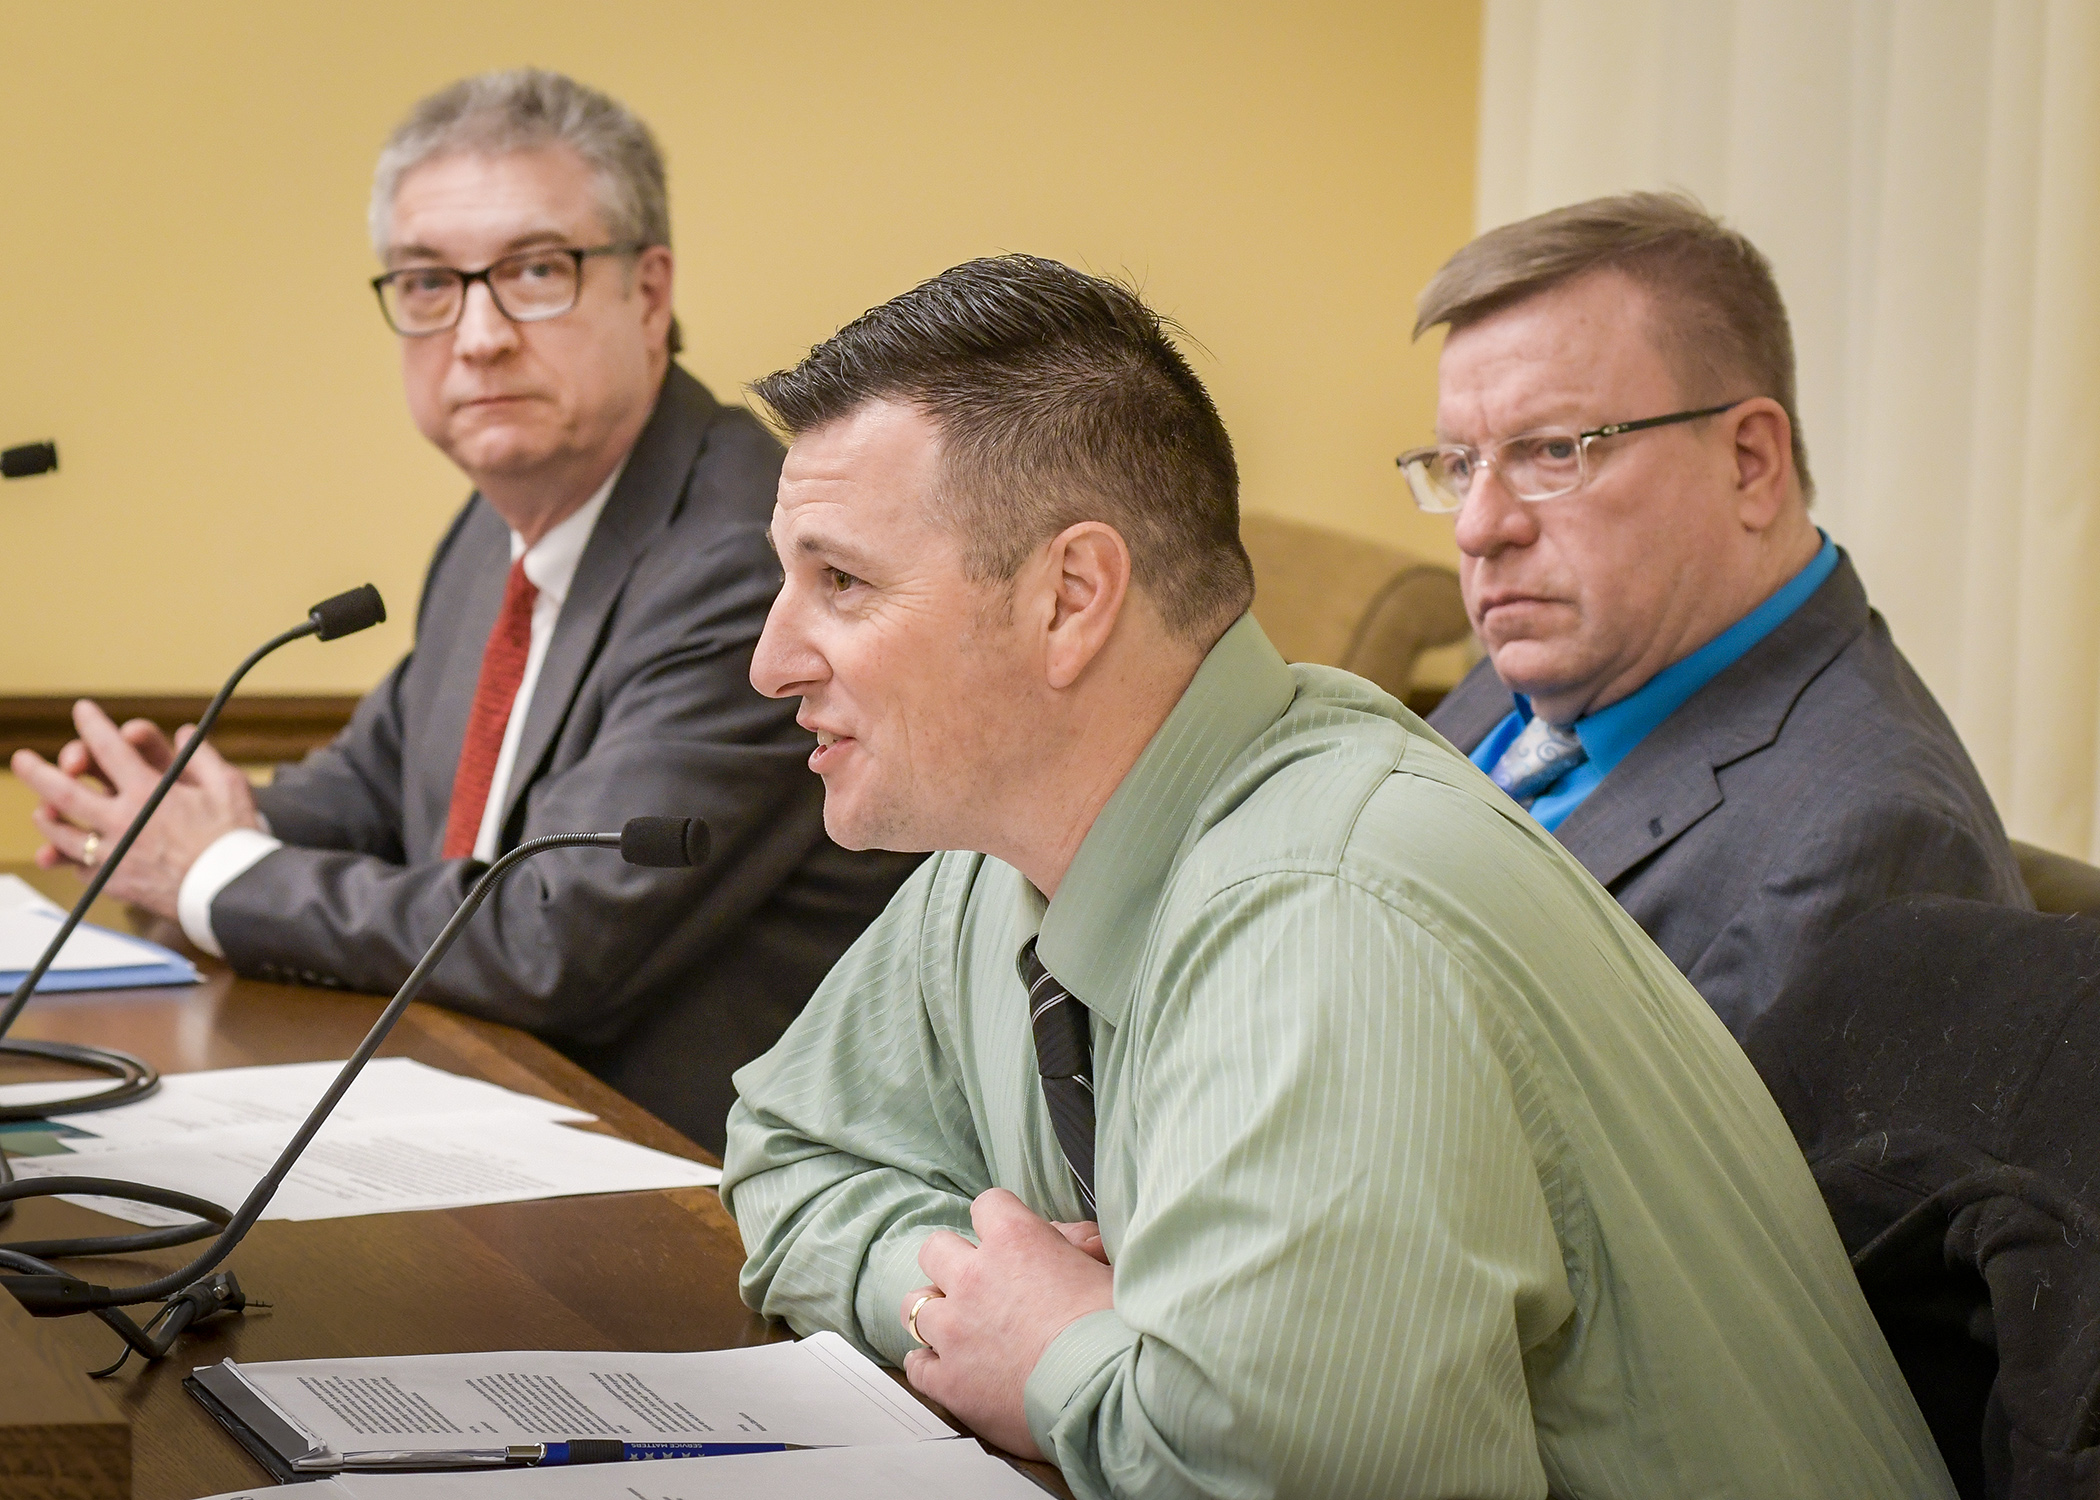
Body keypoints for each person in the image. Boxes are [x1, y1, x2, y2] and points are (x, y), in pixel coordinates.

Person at [718, 254, 1954, 1498]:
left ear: (1070, 597)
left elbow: (1276, 1480)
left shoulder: (1331, 906)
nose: (774, 659)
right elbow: (786, 1151)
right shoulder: (1007, 849)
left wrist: (1054, 1354)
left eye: (843, 583)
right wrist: (968, 1298)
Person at [9, 69, 917, 1151]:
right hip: (483, 1123)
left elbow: (551, 937)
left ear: (649, 292)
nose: (477, 335)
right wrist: (183, 813)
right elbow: (375, 783)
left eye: (534, 271)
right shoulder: (501, 528)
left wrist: (210, 872)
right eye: (429, 283)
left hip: (680, 1194)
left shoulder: (740, 555)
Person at [1414, 191, 2029, 1036]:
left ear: (1749, 463)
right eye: (1459, 463)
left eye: (1555, 450)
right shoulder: (1555, 663)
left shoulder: (1871, 843)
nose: (1481, 527)